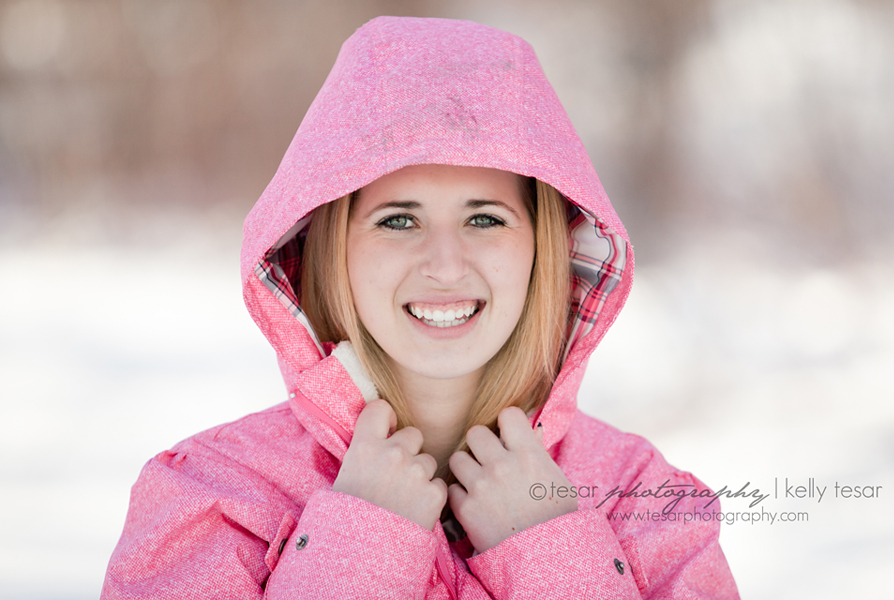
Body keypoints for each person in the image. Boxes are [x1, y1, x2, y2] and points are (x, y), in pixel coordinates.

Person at [101, 16, 739, 599]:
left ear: (543, 251)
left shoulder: (644, 505)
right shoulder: (213, 499)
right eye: (398, 219)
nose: (445, 264)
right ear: (329, 248)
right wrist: (358, 551)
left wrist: (554, 559)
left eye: (485, 219)